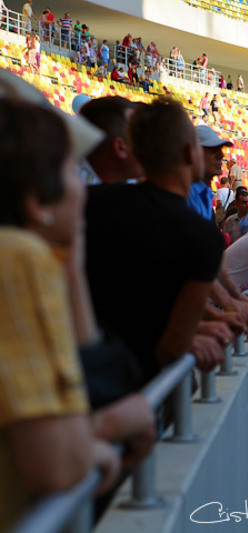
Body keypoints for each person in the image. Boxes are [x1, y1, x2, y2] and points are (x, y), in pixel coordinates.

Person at [0, 87, 155, 530]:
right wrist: (106, 429)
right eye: (73, 169)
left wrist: (71, 273)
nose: (84, 186)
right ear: (37, 203)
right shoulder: (18, 256)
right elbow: (57, 465)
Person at [85, 97, 227, 381]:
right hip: (141, 385)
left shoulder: (88, 200)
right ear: (190, 153)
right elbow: (172, 348)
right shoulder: (202, 238)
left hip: (85, 369)